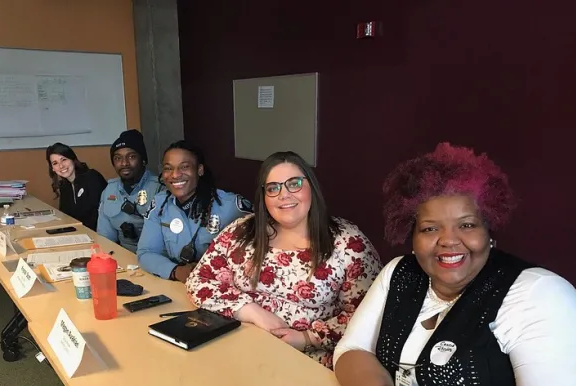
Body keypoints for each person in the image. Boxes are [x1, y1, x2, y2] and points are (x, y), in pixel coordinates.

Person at [333, 142, 576, 386]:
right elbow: (352, 350)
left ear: (489, 231)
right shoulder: (399, 273)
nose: (449, 241)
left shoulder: (539, 294)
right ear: (412, 235)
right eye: (430, 228)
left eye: (466, 225)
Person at [186, 151, 382, 368]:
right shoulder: (241, 231)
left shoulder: (349, 243)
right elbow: (199, 281)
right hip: (237, 350)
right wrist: (251, 311)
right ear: (264, 197)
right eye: (273, 188)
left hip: (308, 363)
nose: (284, 195)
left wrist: (307, 338)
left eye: (294, 183)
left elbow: (369, 318)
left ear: (312, 188)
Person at [137, 140, 253, 282]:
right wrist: (175, 271)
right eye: (168, 168)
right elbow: (146, 252)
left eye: (184, 167)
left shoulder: (231, 206)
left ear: (200, 170)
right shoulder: (160, 204)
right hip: (178, 285)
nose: (175, 175)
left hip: (221, 288)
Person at [96, 129, 162, 252]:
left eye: (131, 157)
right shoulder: (110, 189)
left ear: (143, 160)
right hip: (124, 256)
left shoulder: (159, 188)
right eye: (117, 158)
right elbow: (105, 238)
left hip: (156, 256)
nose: (124, 163)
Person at [46, 143, 107, 230]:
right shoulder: (64, 186)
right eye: (55, 163)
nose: (61, 166)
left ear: (73, 159)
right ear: (52, 168)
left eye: (64, 159)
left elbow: (100, 217)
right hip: (78, 234)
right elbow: (66, 217)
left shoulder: (92, 178)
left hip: (99, 235)